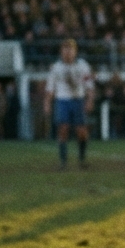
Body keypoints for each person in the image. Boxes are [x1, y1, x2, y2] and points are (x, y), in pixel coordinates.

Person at [44, 39, 95, 169]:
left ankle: (82, 159)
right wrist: (47, 103)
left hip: (78, 100)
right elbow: (50, 88)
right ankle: (63, 161)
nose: (68, 53)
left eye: (70, 50)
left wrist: (89, 100)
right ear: (61, 52)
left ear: (75, 51)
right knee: (63, 129)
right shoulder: (56, 67)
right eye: (65, 50)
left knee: (82, 132)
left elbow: (89, 85)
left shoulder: (83, 65)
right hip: (62, 100)